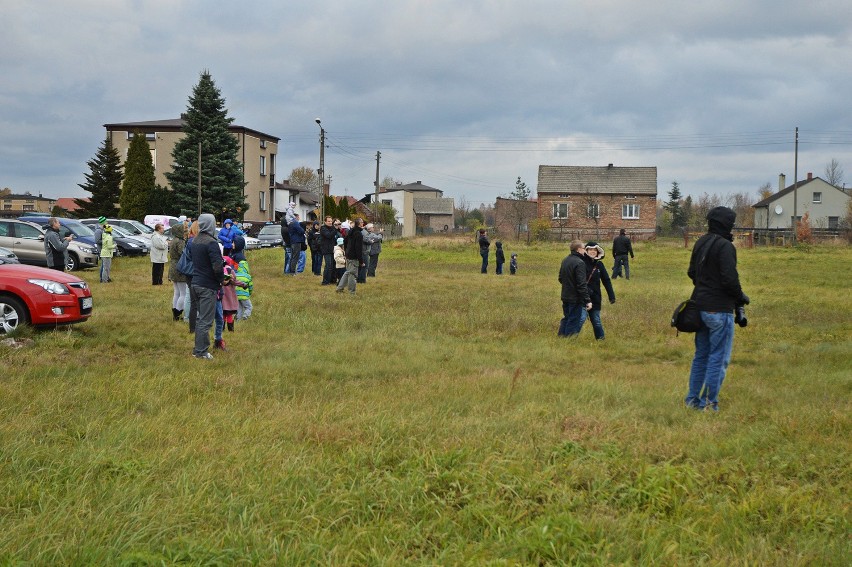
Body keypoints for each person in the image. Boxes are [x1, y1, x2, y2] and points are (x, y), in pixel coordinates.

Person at [684, 206, 749, 412]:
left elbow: (692, 272)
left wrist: (705, 287)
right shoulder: (725, 246)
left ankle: (692, 401)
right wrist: (741, 297)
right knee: (718, 358)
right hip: (719, 309)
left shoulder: (701, 242)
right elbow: (730, 279)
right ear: (727, 224)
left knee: (701, 356)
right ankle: (709, 404)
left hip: (699, 307)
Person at [191, 213, 224, 360]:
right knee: (206, 320)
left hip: (195, 283)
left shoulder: (195, 240)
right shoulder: (211, 242)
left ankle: (197, 349)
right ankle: (201, 352)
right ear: (211, 225)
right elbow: (217, 267)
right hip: (207, 285)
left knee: (200, 319)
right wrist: (221, 280)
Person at [558, 240, 592, 337]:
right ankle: (569, 340)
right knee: (573, 319)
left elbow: (560, 278)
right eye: (584, 248)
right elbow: (581, 284)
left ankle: (561, 338)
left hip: (565, 295)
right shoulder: (580, 263)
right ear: (578, 249)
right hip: (575, 297)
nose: (585, 250)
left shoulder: (565, 260)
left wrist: (569, 286)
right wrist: (587, 300)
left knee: (567, 317)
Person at [582, 242, 616, 340]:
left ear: (598, 252)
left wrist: (611, 296)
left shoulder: (599, 264)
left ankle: (601, 340)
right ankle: (569, 339)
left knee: (596, 320)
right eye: (590, 250)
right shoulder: (581, 263)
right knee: (580, 319)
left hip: (596, 297)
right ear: (586, 251)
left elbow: (606, 280)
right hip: (583, 296)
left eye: (594, 250)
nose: (592, 252)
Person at [337, 218, 365, 295]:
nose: (363, 223)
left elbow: (345, 241)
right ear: (359, 224)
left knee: (348, 272)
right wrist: (361, 261)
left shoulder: (350, 231)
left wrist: (346, 251)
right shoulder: (358, 234)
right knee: (353, 274)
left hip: (348, 255)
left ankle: (340, 288)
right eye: (362, 222)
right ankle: (352, 292)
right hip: (354, 256)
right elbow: (358, 248)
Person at [168, 222, 189, 321]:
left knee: (177, 291)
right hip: (180, 267)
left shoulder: (173, 240)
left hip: (173, 266)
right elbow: (183, 254)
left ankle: (175, 312)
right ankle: (178, 311)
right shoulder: (180, 241)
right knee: (183, 293)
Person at [232, 236, 253, 320]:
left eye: (233, 243)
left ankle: (238, 319)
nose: (232, 244)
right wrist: (249, 293)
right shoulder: (247, 276)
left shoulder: (239, 257)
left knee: (239, 306)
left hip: (236, 291)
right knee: (248, 306)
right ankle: (244, 316)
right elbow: (250, 285)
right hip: (244, 294)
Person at [184, 221, 199, 330]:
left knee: (192, 298)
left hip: (191, 273)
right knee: (193, 300)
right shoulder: (192, 241)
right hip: (192, 273)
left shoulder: (190, 239)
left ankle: (192, 324)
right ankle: (192, 325)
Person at [320, 216, 339, 285]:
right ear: (325, 222)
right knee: (328, 265)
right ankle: (325, 281)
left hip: (333, 249)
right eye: (328, 221)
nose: (330, 222)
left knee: (334, 265)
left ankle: (333, 280)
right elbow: (329, 235)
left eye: (331, 221)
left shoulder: (332, 228)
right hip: (326, 250)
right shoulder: (323, 228)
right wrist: (335, 229)